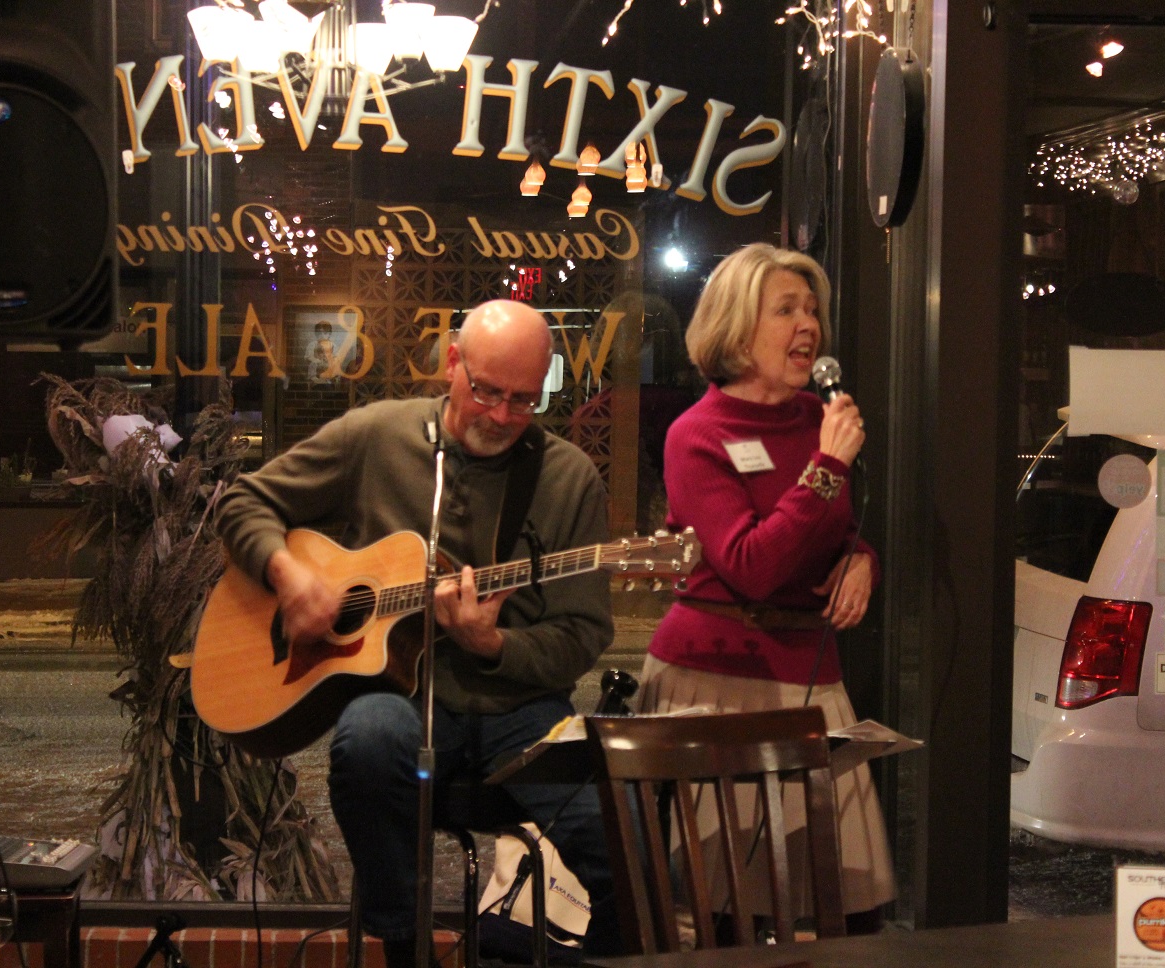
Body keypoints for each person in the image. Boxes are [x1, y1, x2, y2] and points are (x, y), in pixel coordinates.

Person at [214, 299, 622, 966]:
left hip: (521, 710)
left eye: (524, 400)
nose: (501, 416)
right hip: (397, 694)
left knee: (623, 835)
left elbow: (583, 633)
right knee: (369, 739)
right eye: (486, 391)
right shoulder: (377, 436)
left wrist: (494, 645)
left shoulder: (567, 477)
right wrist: (289, 576)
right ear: (453, 363)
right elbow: (244, 501)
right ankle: (404, 945)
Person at [637, 243, 894, 936]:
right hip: (716, 679)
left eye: (812, 310)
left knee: (846, 906)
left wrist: (861, 558)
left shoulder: (820, 419)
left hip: (811, 671)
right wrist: (826, 467)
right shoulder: (697, 435)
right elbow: (751, 564)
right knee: (727, 914)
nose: (808, 325)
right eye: (785, 310)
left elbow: (831, 532)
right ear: (737, 329)